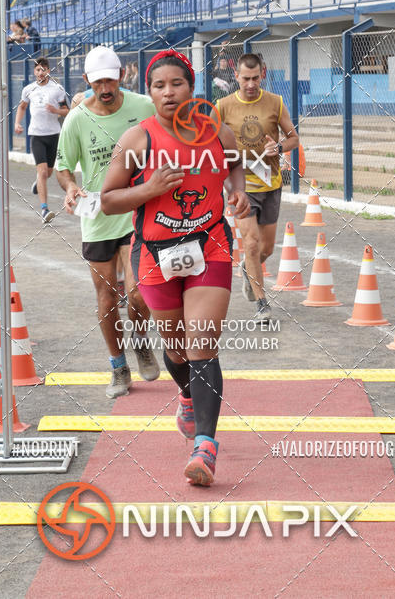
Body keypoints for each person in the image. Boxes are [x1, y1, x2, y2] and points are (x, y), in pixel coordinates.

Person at [101, 49, 250, 486]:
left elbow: (235, 162)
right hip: (154, 253)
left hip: (210, 247)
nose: (168, 93)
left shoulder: (218, 134)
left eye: (177, 84)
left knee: (202, 342)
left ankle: (205, 448)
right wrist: (148, 188)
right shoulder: (137, 140)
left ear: (192, 88)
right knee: (178, 348)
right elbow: (109, 199)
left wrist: (237, 193)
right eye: (159, 86)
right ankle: (186, 394)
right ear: (148, 93)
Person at [56, 45, 160, 399]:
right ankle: (118, 366)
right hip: (98, 217)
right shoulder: (76, 119)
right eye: (98, 81)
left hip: (137, 213)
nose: (105, 87)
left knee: (138, 293)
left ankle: (141, 341)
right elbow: (63, 166)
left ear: (122, 77)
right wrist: (71, 187)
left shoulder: (143, 106)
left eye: (111, 80)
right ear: (86, 81)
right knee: (105, 297)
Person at [215, 53, 301, 321]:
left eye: (255, 78)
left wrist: (279, 147)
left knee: (266, 249)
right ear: (237, 77)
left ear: (262, 74)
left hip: (271, 182)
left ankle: (249, 269)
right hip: (241, 186)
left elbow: (294, 139)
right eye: (245, 79)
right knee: (250, 243)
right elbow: (208, 142)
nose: (250, 84)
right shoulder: (223, 106)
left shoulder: (275, 102)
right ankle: (262, 303)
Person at [14, 58, 69, 224]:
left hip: (53, 134)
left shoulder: (57, 89)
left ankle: (38, 183)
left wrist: (56, 110)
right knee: (43, 172)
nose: (40, 72)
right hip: (36, 135)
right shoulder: (29, 89)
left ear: (48, 71)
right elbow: (22, 106)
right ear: (34, 72)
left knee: (49, 172)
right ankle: (44, 209)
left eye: (43, 69)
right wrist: (17, 122)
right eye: (37, 70)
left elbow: (67, 111)